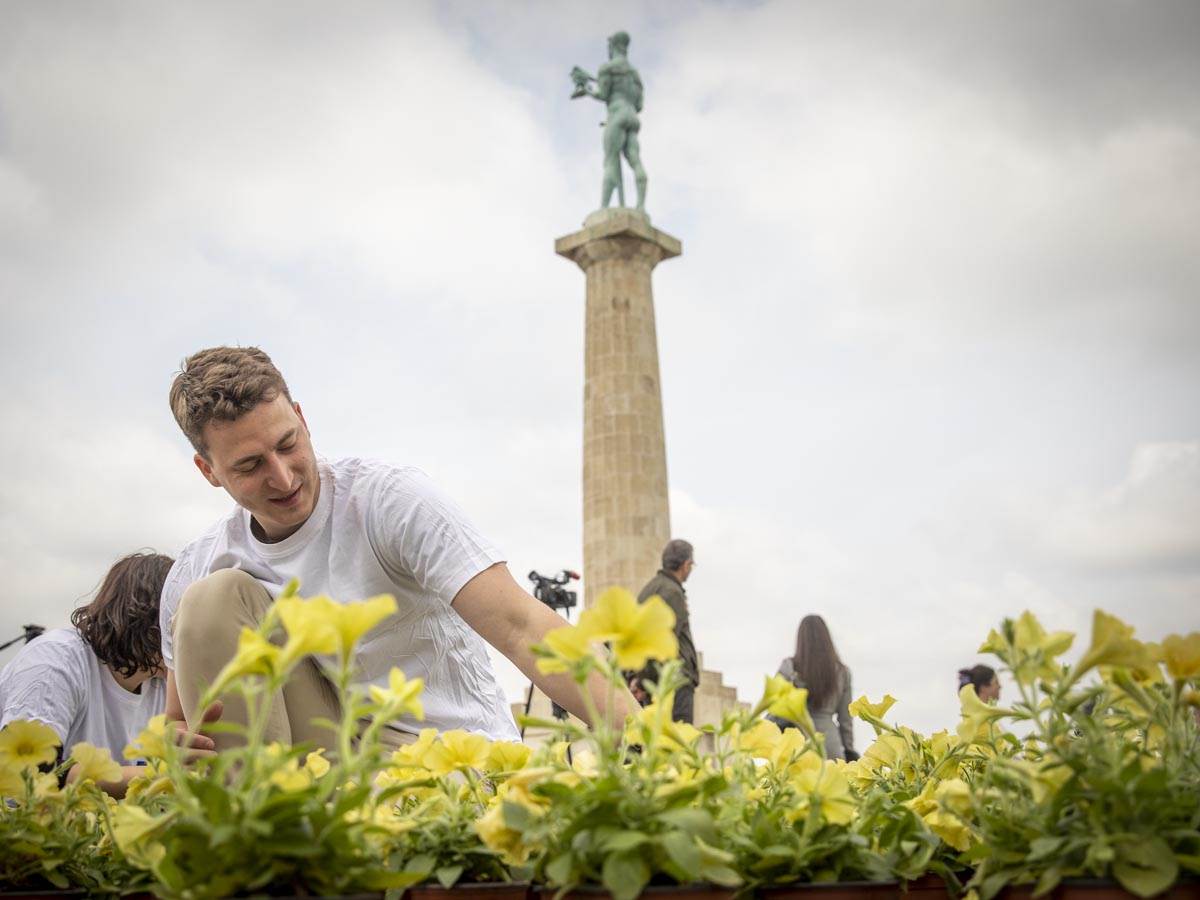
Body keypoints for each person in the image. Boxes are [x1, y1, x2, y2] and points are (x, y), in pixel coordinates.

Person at [160, 346, 634, 751]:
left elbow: (521, 625)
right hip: (327, 755)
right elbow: (179, 722)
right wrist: (178, 743)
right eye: (249, 465)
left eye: (288, 444)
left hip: (445, 753)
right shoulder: (199, 564)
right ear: (209, 471)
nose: (283, 477)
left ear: (303, 419)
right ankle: (258, 840)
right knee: (209, 600)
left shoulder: (388, 500)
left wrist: (650, 749)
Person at [0, 552, 214, 797]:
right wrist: (163, 776)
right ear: (152, 621)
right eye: (180, 624)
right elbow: (30, 774)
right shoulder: (55, 660)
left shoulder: (161, 686)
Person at [573, 31, 649, 210]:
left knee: (610, 161)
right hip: (633, 118)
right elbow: (639, 105)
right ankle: (641, 207)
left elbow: (603, 94)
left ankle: (603, 208)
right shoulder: (635, 75)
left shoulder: (607, 68)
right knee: (636, 161)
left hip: (617, 115)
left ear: (612, 46)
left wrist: (588, 89)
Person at [630, 539, 700, 723]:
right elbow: (663, 643)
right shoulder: (672, 592)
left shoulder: (650, 589)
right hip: (672, 684)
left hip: (655, 682)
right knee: (677, 742)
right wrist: (646, 681)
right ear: (686, 565)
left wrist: (639, 679)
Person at [774, 615, 855, 761]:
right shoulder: (842, 672)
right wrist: (849, 750)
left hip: (797, 743)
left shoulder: (789, 667)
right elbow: (846, 720)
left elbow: (776, 705)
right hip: (830, 745)